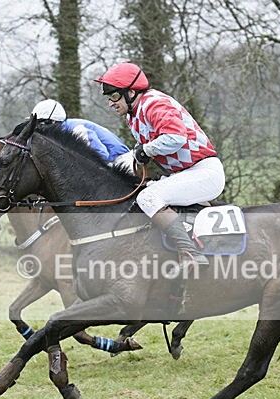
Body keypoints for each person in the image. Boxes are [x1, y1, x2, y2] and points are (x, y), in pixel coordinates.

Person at [94, 62, 225, 268]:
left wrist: (145, 151)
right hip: (186, 173)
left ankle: (190, 253)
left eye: (114, 95)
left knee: (148, 198)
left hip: (203, 172)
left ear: (131, 92)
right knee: (142, 193)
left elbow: (176, 137)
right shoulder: (134, 114)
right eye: (108, 97)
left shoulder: (153, 103)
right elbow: (146, 148)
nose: (111, 103)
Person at [30, 99, 133, 171]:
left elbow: (102, 154)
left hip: (122, 162)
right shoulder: (65, 130)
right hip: (113, 162)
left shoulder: (77, 130)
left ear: (52, 121)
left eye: (40, 123)